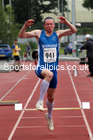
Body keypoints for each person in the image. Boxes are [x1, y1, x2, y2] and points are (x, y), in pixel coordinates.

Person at [18, 16, 77, 130]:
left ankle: (49, 117)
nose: (49, 26)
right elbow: (21, 35)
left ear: (54, 25)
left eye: (51, 24)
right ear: (44, 26)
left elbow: (74, 30)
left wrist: (66, 22)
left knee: (51, 97)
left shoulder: (58, 34)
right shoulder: (39, 33)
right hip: (41, 67)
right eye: (47, 24)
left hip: (54, 69)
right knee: (48, 75)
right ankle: (40, 101)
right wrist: (25, 26)